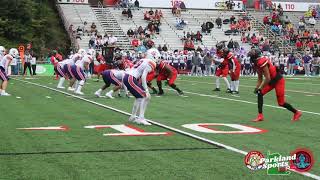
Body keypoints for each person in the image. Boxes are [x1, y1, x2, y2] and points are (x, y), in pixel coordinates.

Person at [247, 48, 302, 122]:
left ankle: (297, 112)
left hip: (278, 80)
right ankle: (260, 116)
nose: (251, 56)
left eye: (252, 54)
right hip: (271, 81)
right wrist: (257, 88)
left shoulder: (261, 62)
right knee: (260, 93)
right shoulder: (257, 63)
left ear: (255, 56)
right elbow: (260, 78)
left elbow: (267, 78)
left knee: (281, 103)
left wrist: (260, 87)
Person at [123, 48, 159, 126]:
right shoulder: (151, 62)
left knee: (139, 98)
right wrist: (146, 90)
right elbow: (143, 76)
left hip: (127, 76)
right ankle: (141, 118)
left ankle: (133, 116)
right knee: (146, 96)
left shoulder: (143, 60)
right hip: (130, 78)